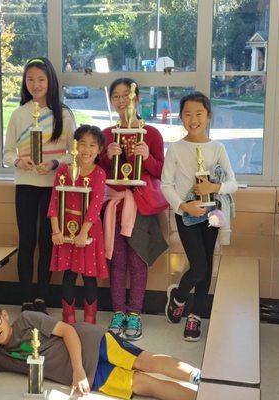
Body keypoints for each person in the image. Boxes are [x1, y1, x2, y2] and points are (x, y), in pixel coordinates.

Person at [0, 301, 201, 400]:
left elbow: (68, 331)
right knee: (143, 385)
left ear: (4, 315)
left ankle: (200, 378)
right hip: (90, 378)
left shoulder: (26, 319)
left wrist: (78, 371)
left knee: (146, 361)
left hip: (91, 343)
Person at [161, 91, 237, 341]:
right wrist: (183, 206)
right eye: (188, 114)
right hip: (188, 216)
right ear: (181, 117)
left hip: (213, 214)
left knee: (208, 264)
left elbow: (233, 183)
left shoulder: (218, 148)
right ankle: (179, 296)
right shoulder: (175, 148)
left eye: (199, 114)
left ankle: (195, 316)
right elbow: (165, 185)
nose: (193, 119)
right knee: (199, 266)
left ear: (209, 116)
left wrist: (214, 188)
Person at [3, 57, 75, 314]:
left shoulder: (63, 115)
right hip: (25, 185)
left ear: (51, 82)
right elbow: (7, 153)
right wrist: (19, 162)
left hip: (53, 187)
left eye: (41, 79)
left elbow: (73, 154)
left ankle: (42, 298)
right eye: (30, 79)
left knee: (47, 242)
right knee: (27, 241)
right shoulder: (18, 114)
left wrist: (55, 163)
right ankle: (25, 298)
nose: (35, 84)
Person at [99, 78, 168, 340]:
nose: (120, 100)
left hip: (140, 206)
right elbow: (99, 171)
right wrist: (108, 156)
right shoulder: (107, 134)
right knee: (117, 261)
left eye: (126, 95)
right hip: (114, 205)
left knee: (138, 261)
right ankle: (118, 312)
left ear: (137, 97)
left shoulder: (151, 133)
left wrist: (146, 156)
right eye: (115, 96)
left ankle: (135, 314)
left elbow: (162, 171)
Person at [48, 125, 108, 325]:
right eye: (82, 144)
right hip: (66, 229)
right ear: (75, 146)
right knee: (69, 274)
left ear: (99, 150)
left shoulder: (99, 174)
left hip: (89, 231)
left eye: (92, 145)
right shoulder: (64, 171)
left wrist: (83, 233)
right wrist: (56, 230)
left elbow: (95, 206)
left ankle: (90, 319)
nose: (87, 149)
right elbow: (54, 201)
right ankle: (69, 318)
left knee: (90, 277)